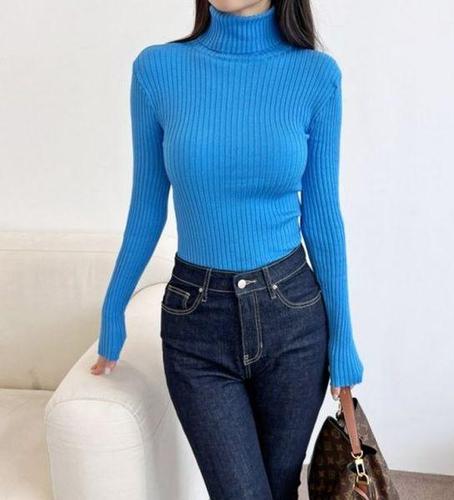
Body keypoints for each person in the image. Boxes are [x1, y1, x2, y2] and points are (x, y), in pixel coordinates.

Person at [91, 1, 364, 498]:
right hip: (197, 321)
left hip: (293, 319)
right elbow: (147, 205)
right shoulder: (158, 70)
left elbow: (323, 217)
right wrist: (113, 309)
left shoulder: (316, 76)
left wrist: (343, 339)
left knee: (280, 486)